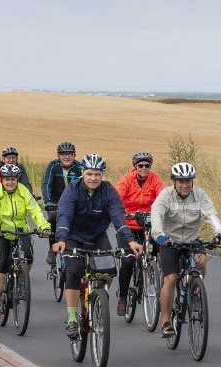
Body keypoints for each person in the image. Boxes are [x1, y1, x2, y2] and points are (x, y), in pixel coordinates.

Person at [50, 154, 142, 339]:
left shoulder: (108, 191)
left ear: (102, 175)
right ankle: (72, 318)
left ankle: (99, 295)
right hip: (73, 237)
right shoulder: (72, 190)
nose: (93, 178)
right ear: (83, 174)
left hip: (97, 236)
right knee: (75, 271)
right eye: (90, 174)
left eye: (97, 174)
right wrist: (61, 239)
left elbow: (117, 216)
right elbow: (64, 215)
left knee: (107, 270)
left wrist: (130, 240)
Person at [151, 162, 221, 338]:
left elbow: (210, 214)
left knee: (201, 261)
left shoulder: (199, 194)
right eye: (181, 181)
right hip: (169, 241)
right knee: (170, 279)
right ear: (174, 181)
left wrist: (220, 233)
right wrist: (159, 235)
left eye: (188, 181)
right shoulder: (166, 195)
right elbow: (156, 214)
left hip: (192, 240)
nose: (185, 185)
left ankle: (195, 289)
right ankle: (165, 322)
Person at [0, 164, 51, 314]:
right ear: (2, 180)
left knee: (29, 257)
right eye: (7, 179)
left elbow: (35, 211)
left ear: (17, 180)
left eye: (13, 179)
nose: (10, 182)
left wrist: (44, 226)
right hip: (1, 231)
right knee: (2, 260)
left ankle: (21, 282)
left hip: (21, 231)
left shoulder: (23, 192)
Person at [113, 151, 164, 316]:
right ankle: (123, 298)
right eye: (140, 165)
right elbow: (116, 199)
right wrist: (123, 213)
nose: (144, 168)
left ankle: (153, 276)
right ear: (134, 166)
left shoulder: (154, 179)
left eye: (147, 165)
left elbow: (162, 197)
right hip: (128, 225)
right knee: (127, 261)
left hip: (148, 224)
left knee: (160, 252)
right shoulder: (126, 180)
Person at [41, 141, 83, 266]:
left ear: (74, 156)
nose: (66, 157)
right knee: (53, 221)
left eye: (70, 154)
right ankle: (52, 249)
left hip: (74, 204)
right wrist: (48, 202)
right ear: (58, 156)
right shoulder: (53, 166)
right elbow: (46, 184)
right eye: (63, 154)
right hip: (56, 203)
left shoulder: (79, 167)